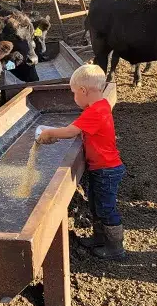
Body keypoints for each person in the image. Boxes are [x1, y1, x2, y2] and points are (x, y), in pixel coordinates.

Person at [36, 64, 126, 260]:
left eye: (74, 93)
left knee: (106, 208)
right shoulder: (99, 106)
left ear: (84, 91)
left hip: (106, 170)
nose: (74, 98)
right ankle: (99, 239)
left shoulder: (95, 112)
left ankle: (115, 248)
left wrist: (49, 132)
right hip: (102, 168)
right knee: (96, 204)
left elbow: (70, 131)